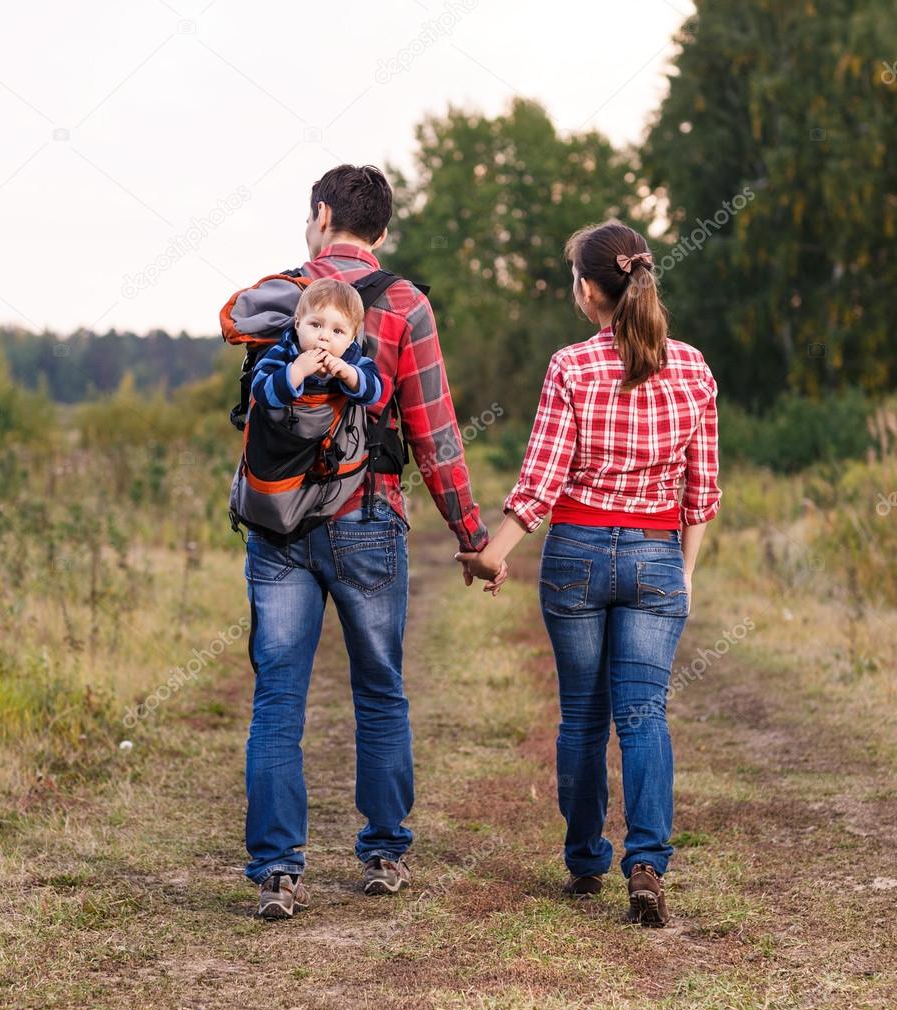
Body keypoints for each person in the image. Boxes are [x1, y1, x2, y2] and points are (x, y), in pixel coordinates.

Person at [243, 164, 497, 920]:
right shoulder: (406, 304)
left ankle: (279, 870)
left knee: (278, 694)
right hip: (368, 516)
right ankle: (384, 851)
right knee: (380, 688)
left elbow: (259, 408)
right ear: (381, 232)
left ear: (322, 215)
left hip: (279, 521)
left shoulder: (279, 296)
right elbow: (435, 431)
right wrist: (472, 535)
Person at [458, 219, 721, 927]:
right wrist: (683, 572)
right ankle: (647, 864)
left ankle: (584, 861)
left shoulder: (571, 366)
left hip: (575, 553)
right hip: (656, 555)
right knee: (644, 715)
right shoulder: (694, 368)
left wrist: (494, 550)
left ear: (586, 290)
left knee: (582, 715)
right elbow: (703, 493)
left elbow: (540, 483)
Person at [250, 277, 382, 410]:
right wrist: (297, 371)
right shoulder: (282, 353)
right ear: (298, 323)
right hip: (281, 428)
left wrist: (350, 374)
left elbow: (375, 394)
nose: (324, 337)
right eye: (315, 325)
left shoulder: (353, 360)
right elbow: (261, 394)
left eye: (337, 331)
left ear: (351, 339)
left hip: (333, 428)